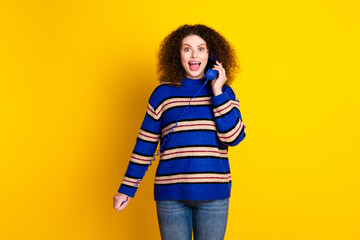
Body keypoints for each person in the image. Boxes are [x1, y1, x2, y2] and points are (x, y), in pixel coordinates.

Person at [113, 24, 246, 240]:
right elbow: (145, 144)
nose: (194, 55)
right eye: (187, 49)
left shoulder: (225, 92)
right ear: (178, 54)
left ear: (211, 55)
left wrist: (218, 91)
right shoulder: (162, 94)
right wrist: (127, 188)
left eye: (201, 49)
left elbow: (233, 137)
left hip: (213, 194)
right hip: (171, 195)